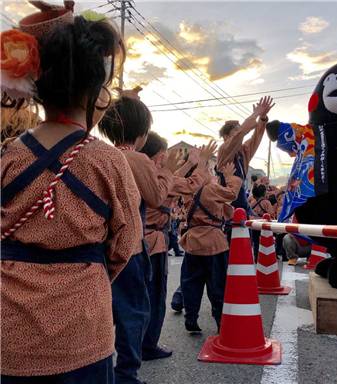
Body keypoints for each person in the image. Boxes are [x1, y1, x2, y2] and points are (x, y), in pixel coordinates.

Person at [1, 13, 139, 384]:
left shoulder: (8, 156)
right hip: (83, 332)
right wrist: (85, 271)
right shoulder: (108, 161)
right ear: (94, 89)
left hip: (9, 333)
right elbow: (125, 244)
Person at [99, 96, 178, 384]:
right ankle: (127, 376)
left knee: (107, 314)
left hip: (102, 248)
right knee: (134, 313)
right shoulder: (136, 158)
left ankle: (106, 372)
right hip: (130, 248)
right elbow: (156, 196)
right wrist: (166, 173)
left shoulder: (102, 155)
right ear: (142, 133)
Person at [140, 133, 214, 361]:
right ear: (159, 155)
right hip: (153, 243)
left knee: (136, 296)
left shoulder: (141, 171)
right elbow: (192, 185)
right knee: (154, 296)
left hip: (137, 240)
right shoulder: (156, 176)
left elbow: (170, 180)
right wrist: (201, 163)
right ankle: (148, 345)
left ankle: (134, 345)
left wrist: (190, 163)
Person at [180, 162, 242, 333]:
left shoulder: (188, 191)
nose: (212, 173)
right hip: (214, 242)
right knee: (217, 284)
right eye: (208, 170)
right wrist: (230, 177)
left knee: (191, 283)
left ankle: (191, 317)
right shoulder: (210, 189)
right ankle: (221, 321)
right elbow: (232, 194)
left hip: (192, 241)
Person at [216, 96, 275, 217]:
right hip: (227, 205)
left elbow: (256, 138)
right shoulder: (223, 150)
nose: (241, 136)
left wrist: (262, 117)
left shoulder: (242, 151)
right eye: (236, 132)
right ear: (226, 137)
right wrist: (255, 114)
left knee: (261, 225)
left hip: (243, 204)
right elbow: (241, 133)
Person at [250, 183, 275, 261]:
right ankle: (265, 258)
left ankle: (256, 257)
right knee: (266, 241)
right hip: (264, 225)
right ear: (264, 192)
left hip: (254, 225)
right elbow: (271, 214)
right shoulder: (266, 202)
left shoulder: (252, 202)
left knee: (256, 242)